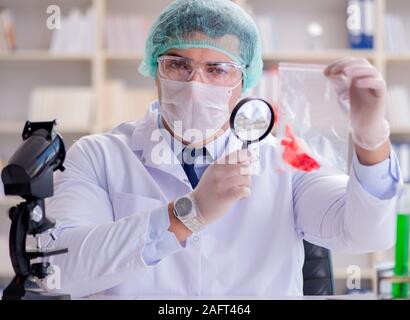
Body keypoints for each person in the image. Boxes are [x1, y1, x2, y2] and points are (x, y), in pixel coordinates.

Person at [46, 0, 402, 298]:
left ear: (245, 80)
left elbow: (367, 233)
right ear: (154, 68)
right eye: (178, 64)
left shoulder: (285, 159)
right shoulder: (98, 156)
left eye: (217, 69)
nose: (195, 84)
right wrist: (187, 214)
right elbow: (58, 271)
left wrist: (371, 140)